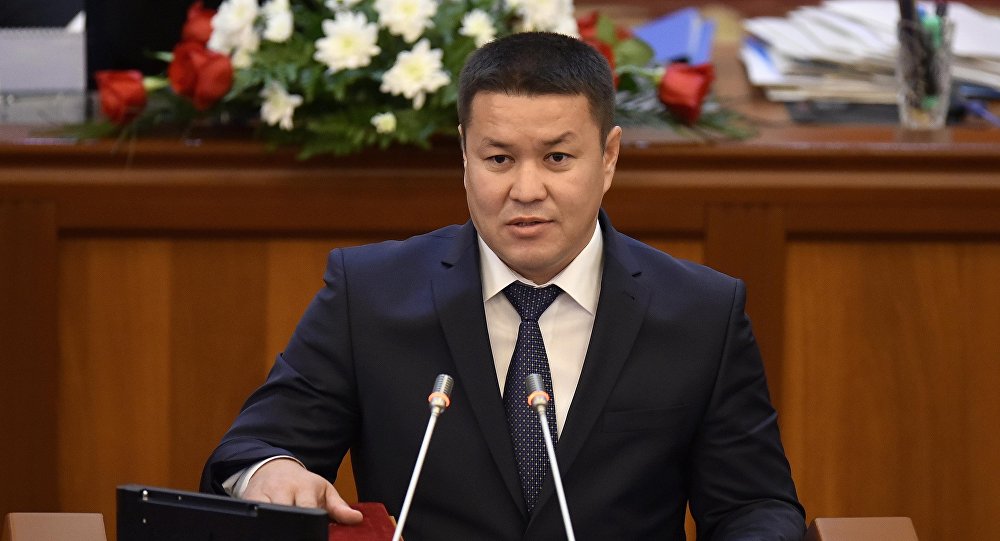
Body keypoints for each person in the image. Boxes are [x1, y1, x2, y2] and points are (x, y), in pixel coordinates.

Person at [201, 31, 805, 540]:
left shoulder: (702, 312)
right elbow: (254, 446)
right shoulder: (370, 294)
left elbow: (754, 505)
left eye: (557, 158)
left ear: (609, 158)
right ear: (464, 158)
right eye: (498, 159)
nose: (526, 190)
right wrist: (270, 471)